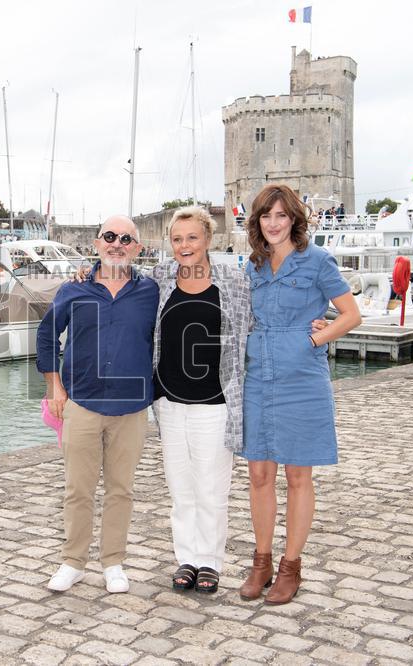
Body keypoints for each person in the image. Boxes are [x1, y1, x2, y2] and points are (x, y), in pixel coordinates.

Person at [238, 184, 361, 605]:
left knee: (298, 476)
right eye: (266, 217)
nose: (273, 224)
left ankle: (291, 566)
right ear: (257, 223)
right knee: (258, 475)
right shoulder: (252, 266)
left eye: (281, 216)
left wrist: (316, 339)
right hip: (259, 377)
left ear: (294, 219)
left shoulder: (318, 261)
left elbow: (351, 314)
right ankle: (261, 561)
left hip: (302, 380)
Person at [36, 215, 159, 595]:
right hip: (83, 403)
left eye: (126, 238)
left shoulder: (151, 290)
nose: (117, 243)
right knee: (78, 489)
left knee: (121, 489)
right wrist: (55, 389)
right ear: (96, 243)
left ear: (137, 248)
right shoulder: (73, 290)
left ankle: (114, 562)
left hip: (132, 407)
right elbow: (45, 338)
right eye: (109, 236)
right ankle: (73, 562)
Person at [149, 206, 251, 594]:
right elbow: (117, 282)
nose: (184, 246)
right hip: (169, 401)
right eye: (177, 239)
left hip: (216, 400)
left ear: (208, 239)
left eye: (192, 237)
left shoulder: (233, 281)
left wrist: (315, 323)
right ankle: (186, 558)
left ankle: (210, 561)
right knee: (180, 486)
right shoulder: (160, 278)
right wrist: (85, 273)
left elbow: (255, 326)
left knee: (211, 487)